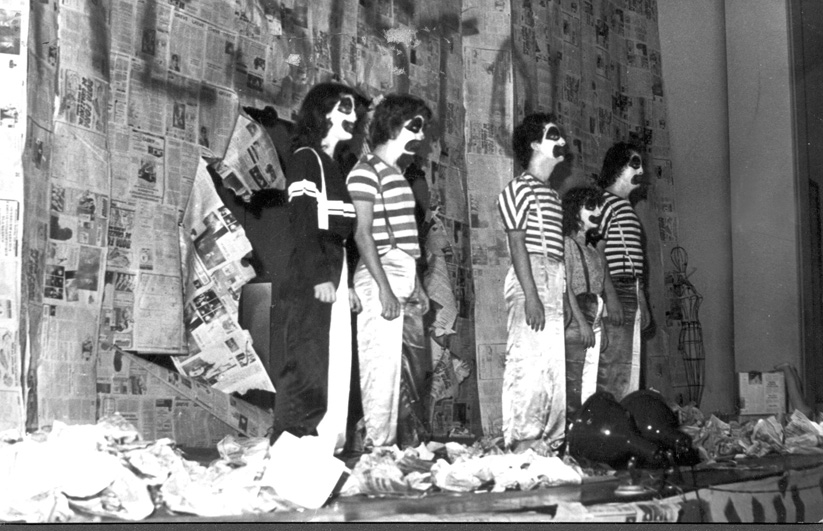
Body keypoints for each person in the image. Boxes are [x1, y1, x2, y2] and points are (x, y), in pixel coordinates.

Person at [270, 82, 366, 456]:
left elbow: (341, 234)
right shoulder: (306, 159)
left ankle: (323, 450)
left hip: (334, 265)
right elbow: (304, 223)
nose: (354, 117)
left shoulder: (334, 165)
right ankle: (293, 447)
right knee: (308, 362)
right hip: (313, 268)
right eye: (345, 108)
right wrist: (318, 277)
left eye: (355, 110)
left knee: (334, 360)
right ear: (323, 113)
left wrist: (346, 284)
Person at [347, 93, 431, 448]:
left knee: (411, 371)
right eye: (416, 126)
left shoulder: (397, 173)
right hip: (380, 273)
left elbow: (409, 239)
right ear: (394, 125)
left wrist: (418, 286)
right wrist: (384, 289)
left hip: (405, 274)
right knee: (381, 372)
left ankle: (403, 450)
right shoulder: (365, 170)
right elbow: (362, 233)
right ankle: (377, 448)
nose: (422, 135)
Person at [496, 112, 567, 453]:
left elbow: (559, 258)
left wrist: (562, 298)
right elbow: (517, 243)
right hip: (530, 278)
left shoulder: (552, 196)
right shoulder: (518, 188)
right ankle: (523, 441)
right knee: (528, 363)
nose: (562, 141)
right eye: (554, 135)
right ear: (535, 144)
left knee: (553, 367)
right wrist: (531, 295)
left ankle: (550, 442)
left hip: (554, 277)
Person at [595, 142, 652, 401]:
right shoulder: (603, 203)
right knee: (613, 368)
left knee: (630, 366)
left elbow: (634, 262)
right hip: (615, 290)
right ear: (618, 167)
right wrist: (611, 296)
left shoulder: (626, 208)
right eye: (635, 164)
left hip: (631, 292)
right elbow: (598, 253)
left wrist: (642, 301)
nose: (641, 171)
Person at [562, 185, 606, 421]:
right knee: (574, 378)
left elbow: (598, 293)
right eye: (591, 207)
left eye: (599, 207)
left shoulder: (593, 251)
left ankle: (586, 427)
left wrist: (600, 326)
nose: (598, 211)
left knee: (591, 378)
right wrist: (581, 323)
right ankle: (571, 428)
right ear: (574, 211)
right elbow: (566, 286)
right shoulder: (567, 244)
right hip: (576, 319)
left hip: (594, 319)